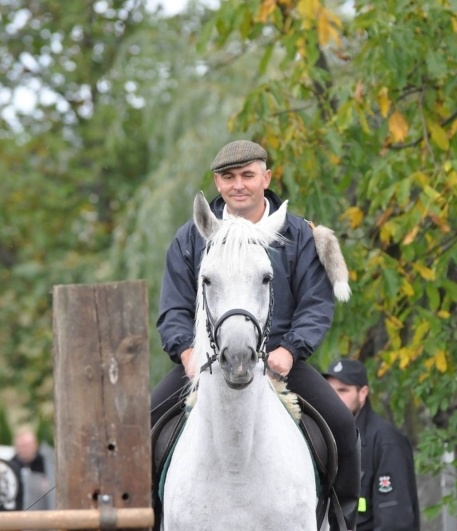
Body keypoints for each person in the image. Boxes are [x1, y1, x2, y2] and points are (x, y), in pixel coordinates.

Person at [153, 140, 360, 530]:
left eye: (248, 175)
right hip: (206, 361)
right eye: (229, 177)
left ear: (266, 177)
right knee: (142, 427)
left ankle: (340, 518)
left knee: (342, 425)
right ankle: (147, 518)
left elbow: (316, 303)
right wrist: (185, 352)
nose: (238, 185)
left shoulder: (297, 235)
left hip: (280, 360)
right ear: (217, 182)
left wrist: (290, 350)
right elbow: (172, 307)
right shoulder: (191, 238)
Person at [324, 358, 420, 531]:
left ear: (363, 393)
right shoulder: (323, 438)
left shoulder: (386, 441)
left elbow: (394, 522)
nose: (334, 398)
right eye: (330, 390)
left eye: (343, 390)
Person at [11, 428, 54, 510]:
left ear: (35, 444)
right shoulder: (12, 467)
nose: (24, 449)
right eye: (21, 446)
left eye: (26, 445)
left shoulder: (48, 464)